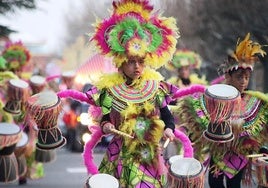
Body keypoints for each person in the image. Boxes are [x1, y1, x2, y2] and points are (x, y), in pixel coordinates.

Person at [83, 0, 179, 187]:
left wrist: (169, 129)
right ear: (121, 63)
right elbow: (104, 119)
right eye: (131, 62)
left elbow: (167, 116)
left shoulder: (155, 88)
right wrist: (107, 126)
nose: (137, 67)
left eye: (141, 62)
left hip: (149, 152)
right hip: (121, 153)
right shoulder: (109, 91)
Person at [176, 33, 268, 188]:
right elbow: (197, 115)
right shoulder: (214, 98)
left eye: (247, 77)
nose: (244, 81)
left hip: (239, 154)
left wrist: (259, 146)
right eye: (240, 77)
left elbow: (258, 130)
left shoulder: (254, 102)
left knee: (234, 185)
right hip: (218, 152)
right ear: (228, 76)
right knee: (214, 183)